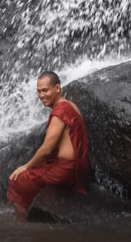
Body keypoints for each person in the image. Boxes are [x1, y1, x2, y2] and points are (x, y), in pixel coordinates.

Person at [6, 70, 90, 219]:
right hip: (80, 168)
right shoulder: (71, 105)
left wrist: (26, 166)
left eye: (45, 90)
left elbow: (46, 149)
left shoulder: (59, 112)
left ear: (57, 88)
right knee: (39, 168)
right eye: (38, 91)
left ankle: (22, 218)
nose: (41, 95)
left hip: (65, 170)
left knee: (17, 180)